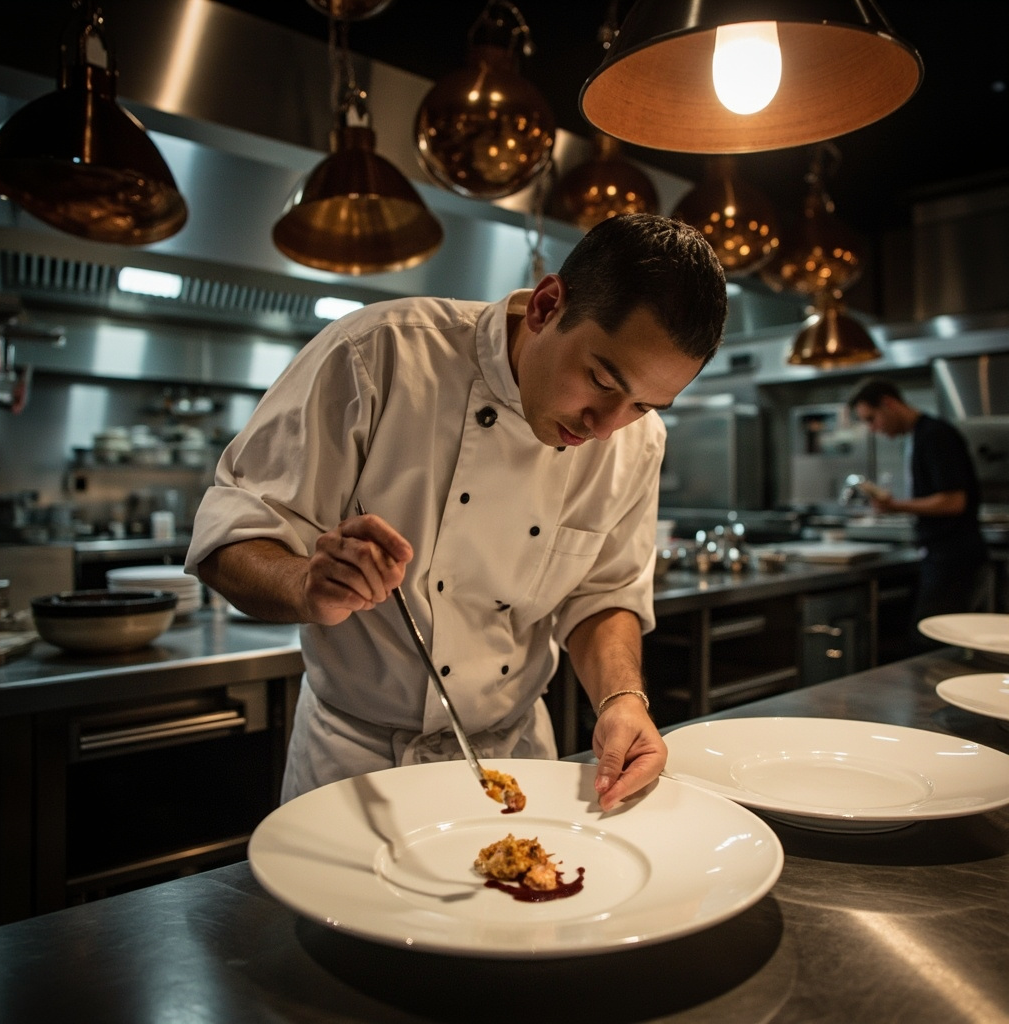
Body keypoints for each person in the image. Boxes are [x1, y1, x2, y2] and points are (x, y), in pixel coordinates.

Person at [185, 214, 727, 811]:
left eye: (643, 405)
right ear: (547, 306)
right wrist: (304, 585)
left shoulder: (637, 439)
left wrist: (623, 699)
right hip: (356, 768)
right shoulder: (376, 356)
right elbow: (228, 540)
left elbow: (603, 595)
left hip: (516, 759)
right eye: (600, 380)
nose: (606, 427)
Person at [847, 378, 989, 643]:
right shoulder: (918, 436)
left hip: (952, 558)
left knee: (932, 640)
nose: (874, 428)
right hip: (941, 556)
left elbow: (954, 501)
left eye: (872, 418)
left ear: (889, 404)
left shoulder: (935, 435)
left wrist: (895, 506)